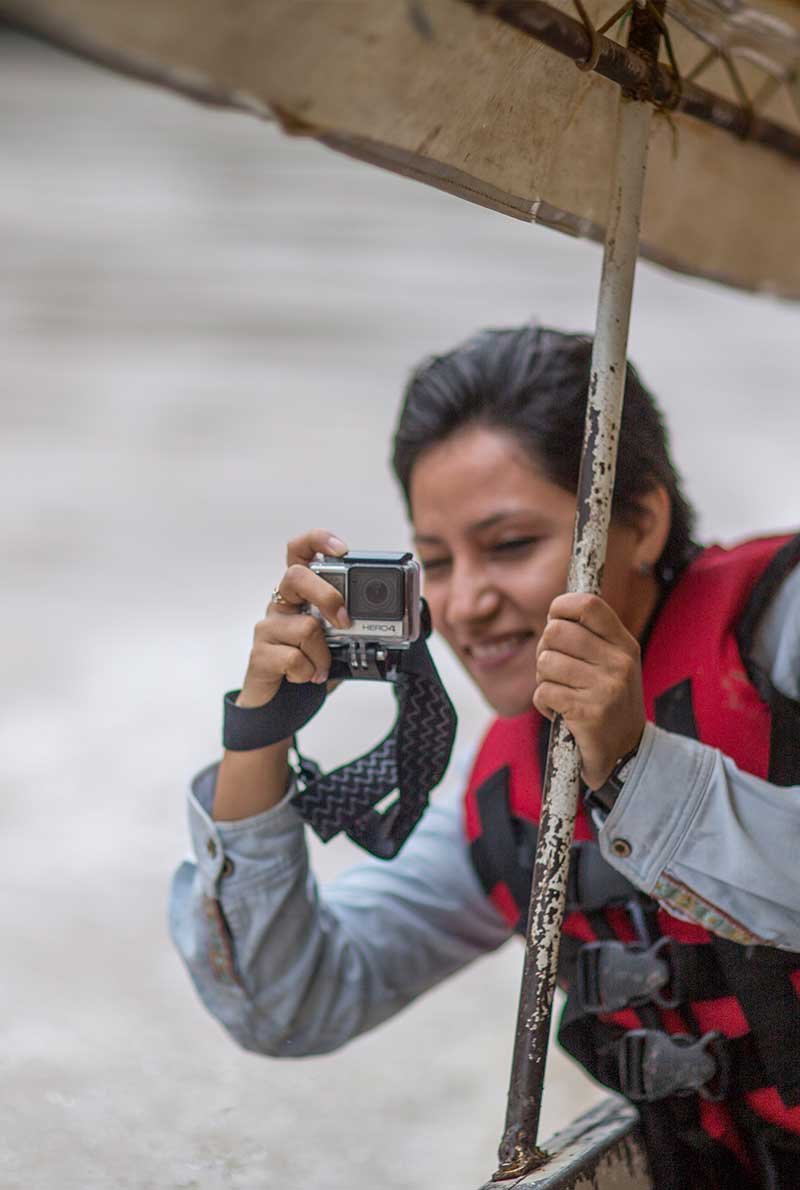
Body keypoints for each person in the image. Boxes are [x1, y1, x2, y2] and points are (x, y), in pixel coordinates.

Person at [169, 326, 800, 1189]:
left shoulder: (784, 635)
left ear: (642, 520)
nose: (467, 603)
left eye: (509, 546)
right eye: (435, 562)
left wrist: (633, 764)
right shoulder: (511, 791)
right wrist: (259, 737)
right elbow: (291, 1004)